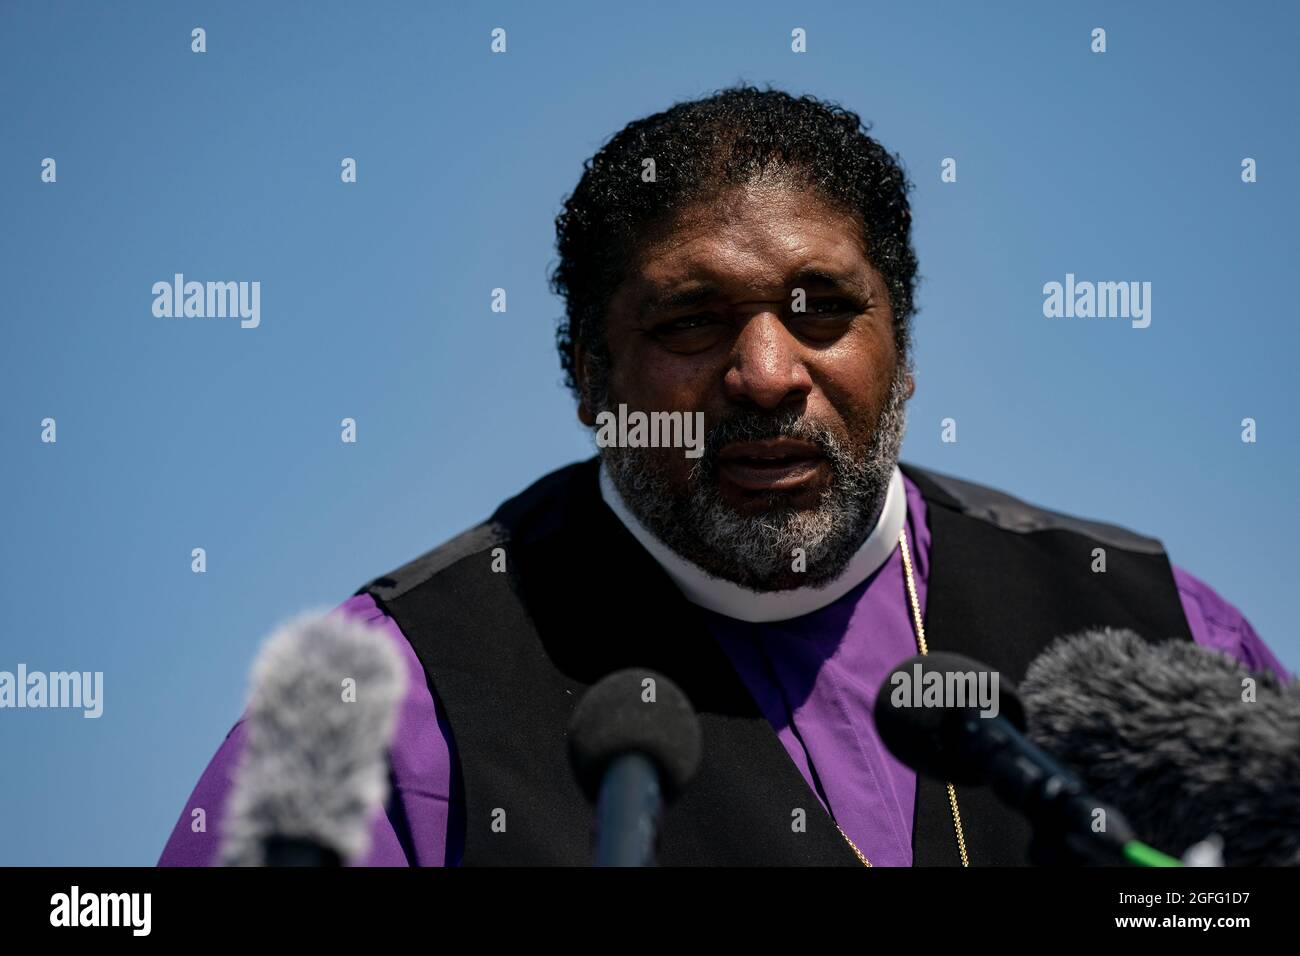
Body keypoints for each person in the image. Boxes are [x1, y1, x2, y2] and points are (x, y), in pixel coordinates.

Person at [160, 86, 1287, 867]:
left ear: (900, 346)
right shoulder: (391, 697)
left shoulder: (1156, 627)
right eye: (693, 322)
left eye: (821, 310)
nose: (764, 373)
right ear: (586, 372)